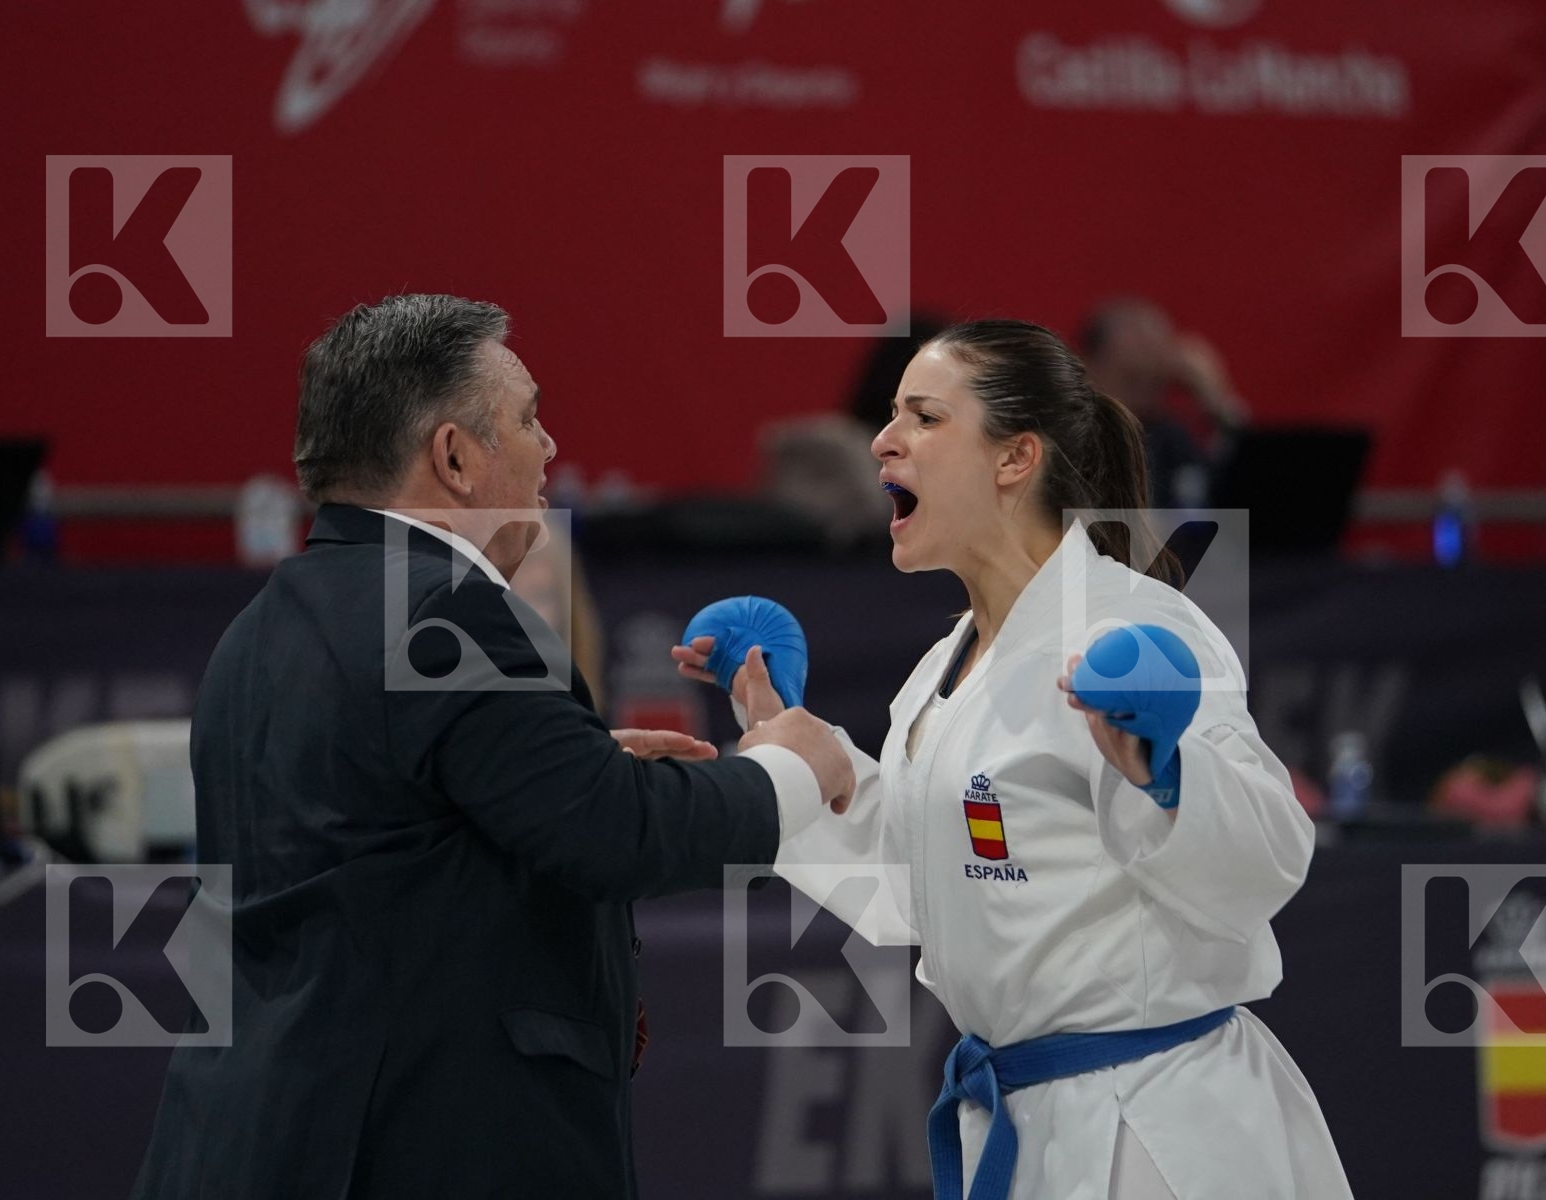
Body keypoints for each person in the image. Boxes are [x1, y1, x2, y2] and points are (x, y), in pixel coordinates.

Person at [128, 294, 854, 1200]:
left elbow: (390, 841)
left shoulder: (261, 626)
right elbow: (617, 834)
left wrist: (573, 766)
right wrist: (790, 766)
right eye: (527, 418)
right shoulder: (444, 610)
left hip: (257, 1143)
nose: (550, 448)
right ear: (456, 457)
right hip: (413, 1151)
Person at [676, 320, 1349, 1198]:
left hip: (1158, 1128)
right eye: (892, 416)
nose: (883, 440)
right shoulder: (945, 666)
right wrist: (818, 762)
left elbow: (1270, 861)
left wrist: (1169, 771)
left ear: (1013, 458)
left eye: (923, 417)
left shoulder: (1130, 628)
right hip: (1032, 1122)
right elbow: (945, 884)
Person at [1080, 296, 1248, 508]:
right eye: (1132, 375)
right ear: (1090, 365)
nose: (1151, 364)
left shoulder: (1170, 438)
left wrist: (1218, 403)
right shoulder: (1066, 438)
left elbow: (1235, 499)